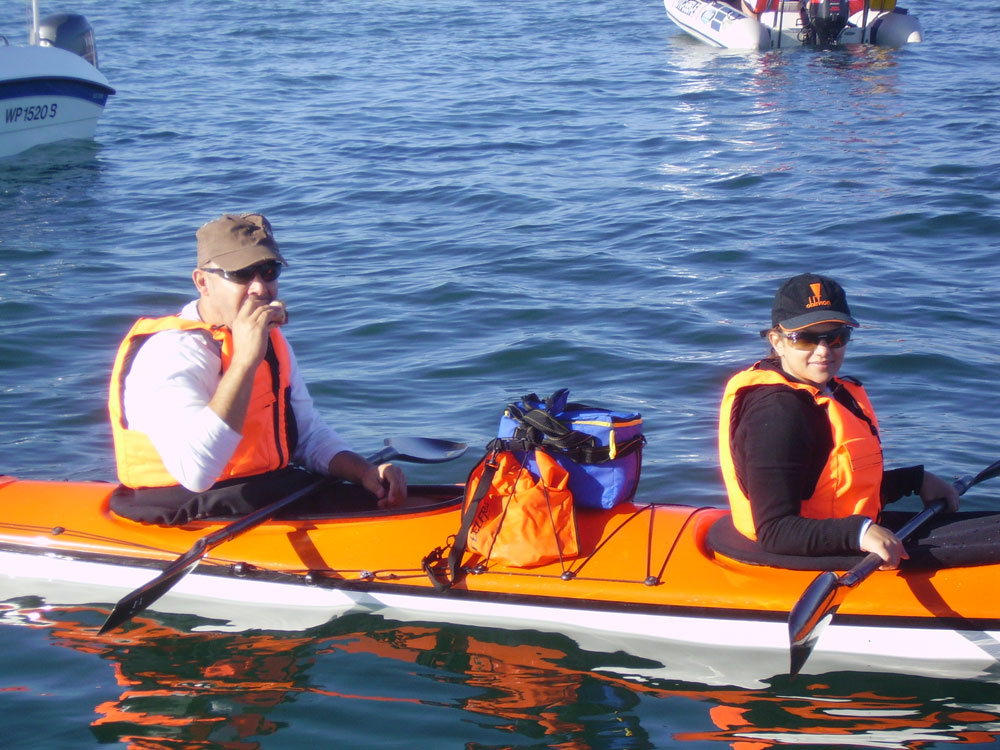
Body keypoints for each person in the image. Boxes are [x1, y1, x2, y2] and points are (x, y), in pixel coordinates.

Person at [108, 212, 406, 525]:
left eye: (268, 271)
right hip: (187, 511)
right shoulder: (171, 353)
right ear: (202, 282)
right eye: (241, 274)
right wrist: (246, 360)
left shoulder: (270, 341)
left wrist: (365, 472)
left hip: (266, 495)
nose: (259, 288)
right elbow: (196, 472)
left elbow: (307, 437)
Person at [718, 273, 960, 570]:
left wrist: (914, 480)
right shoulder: (778, 413)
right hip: (796, 554)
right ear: (777, 342)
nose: (823, 351)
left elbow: (834, 488)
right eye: (805, 338)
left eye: (835, 337)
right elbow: (775, 531)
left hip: (836, 535)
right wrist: (858, 533)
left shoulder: (832, 392)